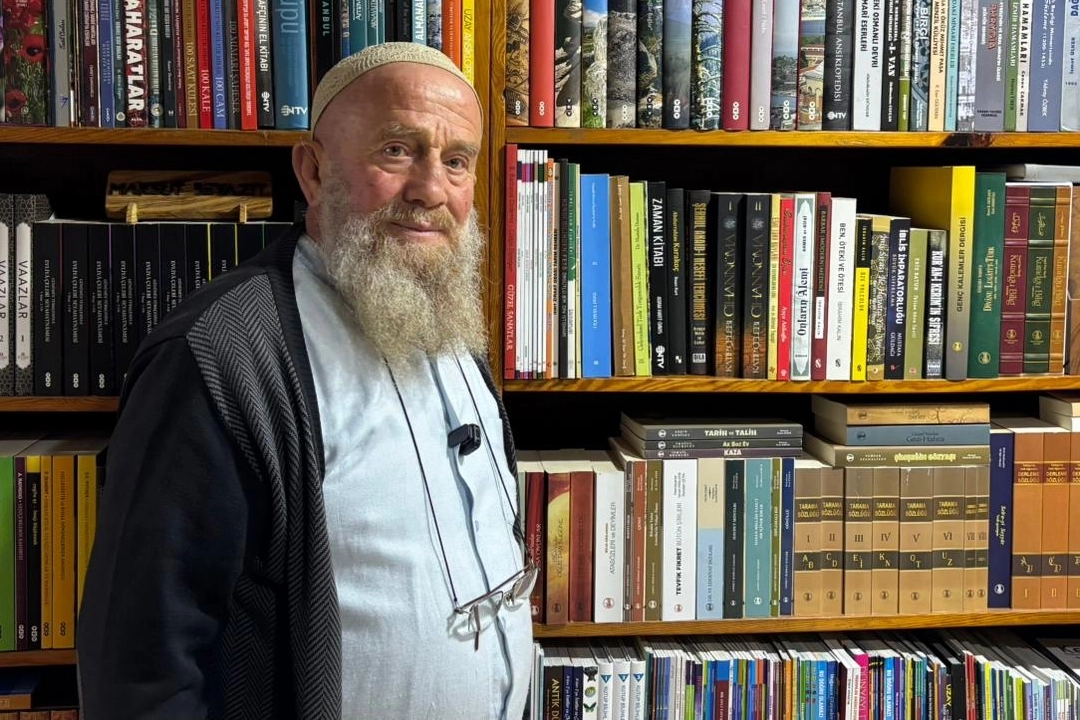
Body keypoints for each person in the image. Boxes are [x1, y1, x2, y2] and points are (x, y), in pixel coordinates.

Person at [77, 43, 534, 719]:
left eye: (457, 161)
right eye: (397, 151)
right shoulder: (220, 355)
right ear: (313, 170)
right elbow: (144, 665)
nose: (432, 190)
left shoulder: (448, 325)